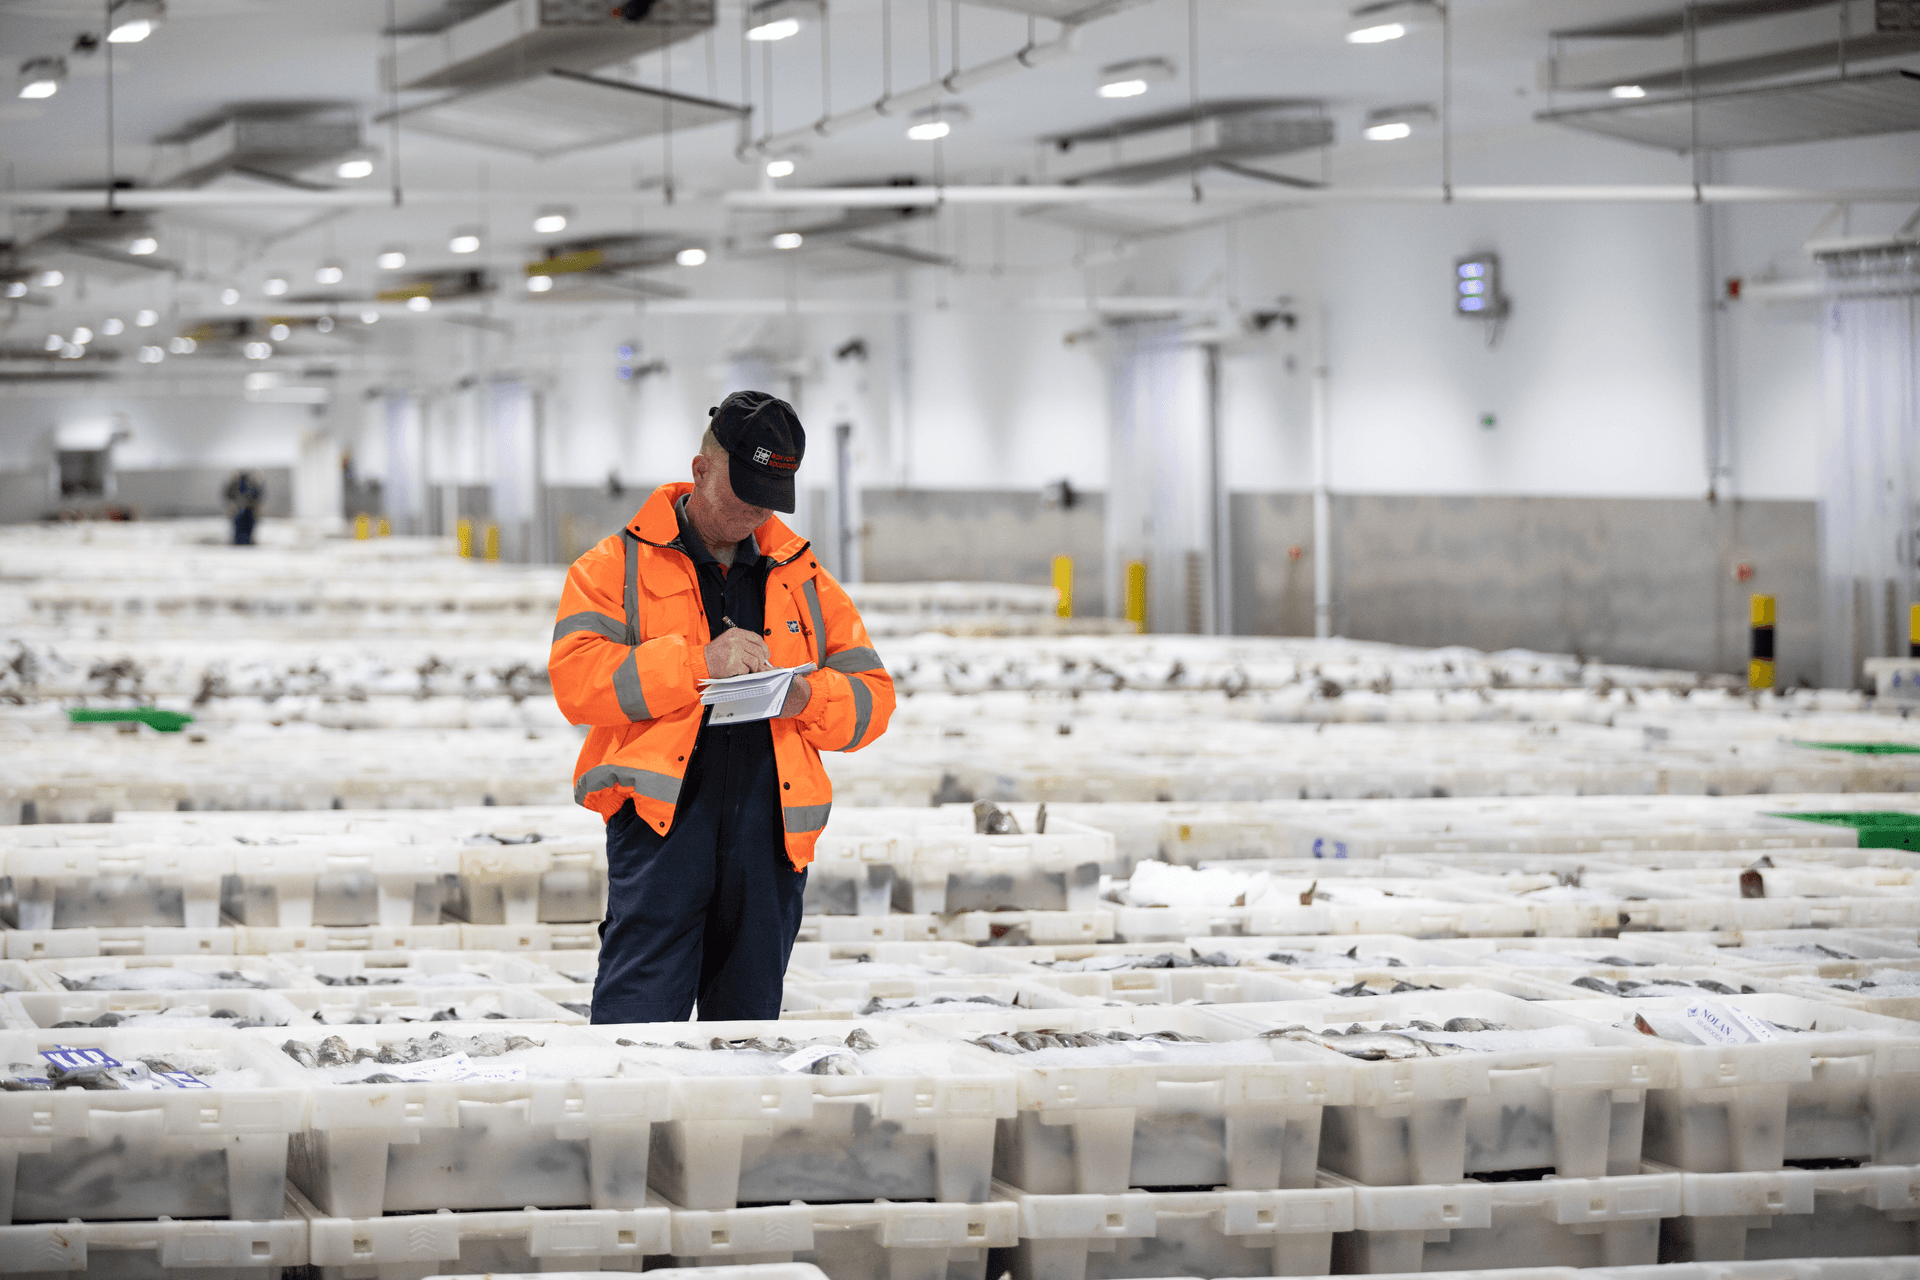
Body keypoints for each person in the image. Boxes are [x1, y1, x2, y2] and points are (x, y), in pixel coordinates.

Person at [549, 390, 894, 1023]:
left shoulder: (804, 576)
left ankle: (721, 1127)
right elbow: (577, 681)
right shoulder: (612, 568)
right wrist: (696, 663)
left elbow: (873, 697)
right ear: (701, 470)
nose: (754, 509)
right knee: (637, 1022)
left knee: (747, 1031)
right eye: (742, 491)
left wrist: (805, 695)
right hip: (662, 828)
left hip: (772, 831)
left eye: (769, 494)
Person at [224, 470, 263, 545]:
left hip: (250, 509)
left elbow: (258, 495)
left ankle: (248, 541)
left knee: (248, 526)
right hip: (238, 509)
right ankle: (238, 541)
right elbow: (228, 494)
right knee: (238, 526)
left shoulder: (253, 483)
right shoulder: (235, 483)